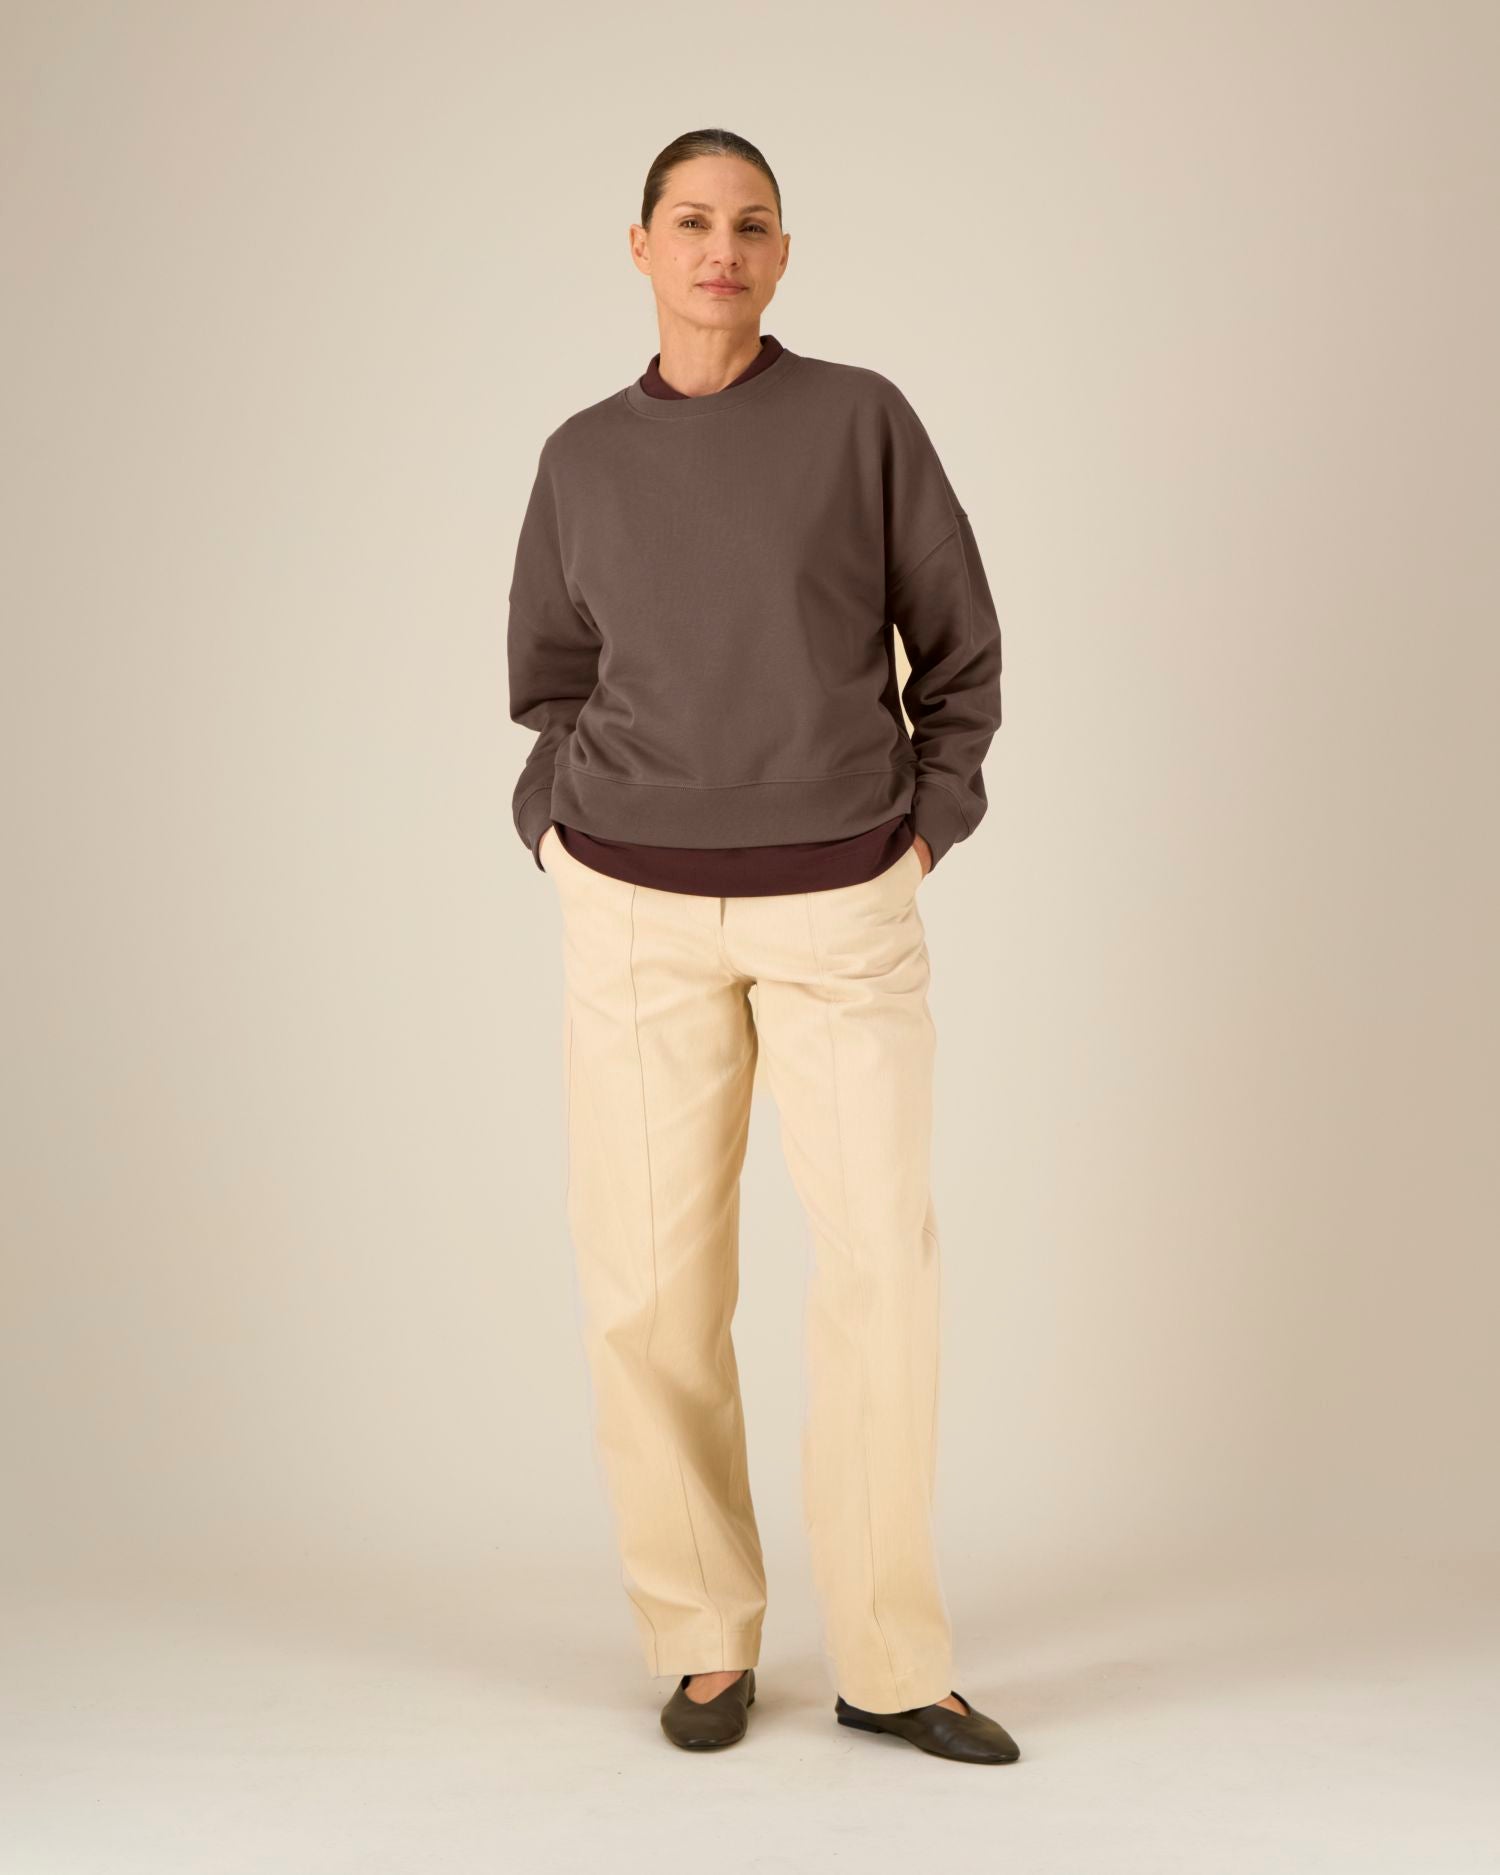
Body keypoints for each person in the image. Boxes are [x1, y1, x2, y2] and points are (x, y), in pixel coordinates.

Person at [507, 127, 1018, 1766]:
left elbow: (958, 648)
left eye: (751, 224)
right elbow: (550, 678)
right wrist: (554, 826)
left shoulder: (861, 421)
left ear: (783, 255)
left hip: (841, 901)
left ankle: (889, 1658)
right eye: (691, 221)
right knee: (650, 1290)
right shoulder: (582, 456)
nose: (720, 249)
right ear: (641, 248)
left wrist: (926, 825)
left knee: (880, 1271)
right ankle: (703, 1641)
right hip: (631, 909)